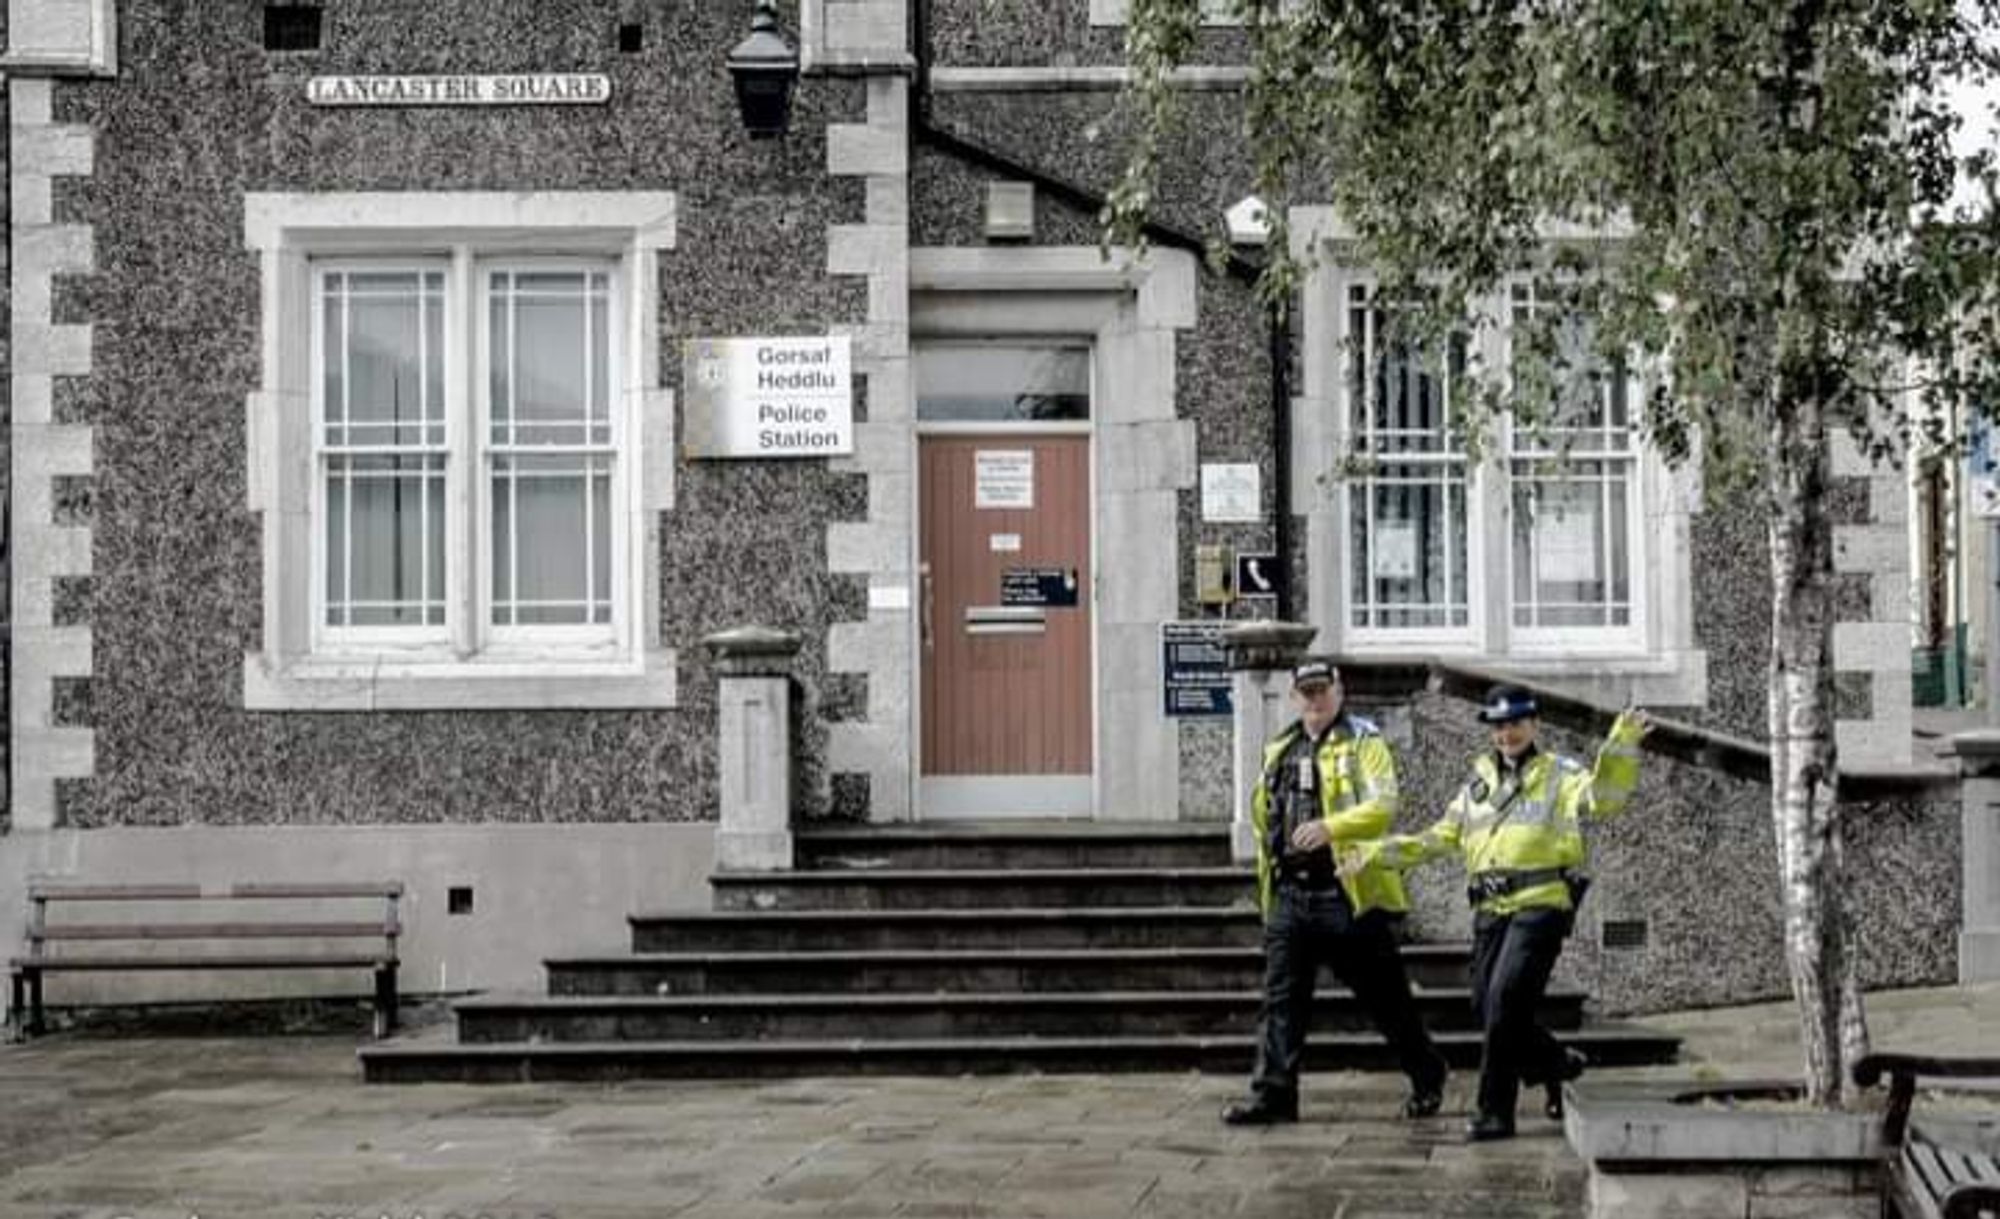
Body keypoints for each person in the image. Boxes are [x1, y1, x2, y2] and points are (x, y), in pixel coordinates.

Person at [1342, 684, 1651, 1142]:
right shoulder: (1477, 784)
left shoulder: (1559, 774)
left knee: (1506, 1000)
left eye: (1516, 723)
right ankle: (1556, 1065)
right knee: (1487, 1007)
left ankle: (1494, 1112)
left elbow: (1602, 798)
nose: (1507, 733)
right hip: (1490, 910)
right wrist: (1374, 852)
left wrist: (1620, 744)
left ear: (1534, 725)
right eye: (1499, 725)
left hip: (1541, 905)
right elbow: (1437, 838)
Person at [1221, 656, 1449, 1126]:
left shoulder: (1364, 741)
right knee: (1281, 1000)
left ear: (1339, 691)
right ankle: (1274, 1096)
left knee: (1384, 998)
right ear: (1294, 696)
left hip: (1346, 893)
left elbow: (1384, 805)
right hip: (1291, 895)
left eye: (1322, 690)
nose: (1315, 699)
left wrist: (1331, 827)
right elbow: (1268, 820)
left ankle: (1427, 1071)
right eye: (1307, 691)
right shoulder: (1280, 748)